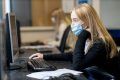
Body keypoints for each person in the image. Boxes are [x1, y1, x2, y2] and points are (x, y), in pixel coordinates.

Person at [29, 3, 120, 79]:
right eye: (72, 20)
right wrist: (44, 56)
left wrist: (83, 35)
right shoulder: (90, 39)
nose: (72, 25)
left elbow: (77, 66)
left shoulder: (101, 43)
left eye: (75, 20)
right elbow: (71, 55)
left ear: (87, 22)